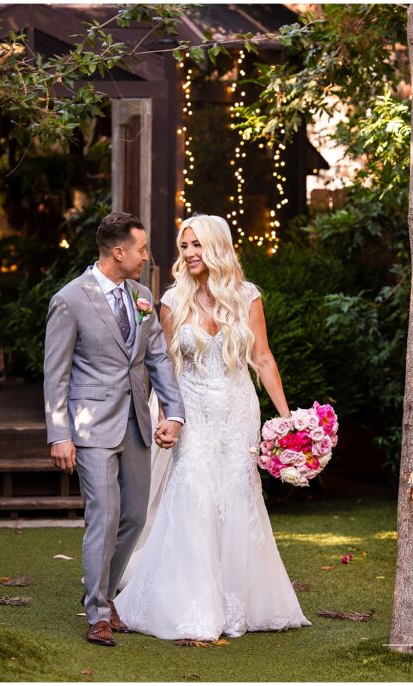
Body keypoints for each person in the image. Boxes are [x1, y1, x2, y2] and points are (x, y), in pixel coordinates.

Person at [113, 214, 311, 641]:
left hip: (238, 409)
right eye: (184, 246)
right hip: (192, 410)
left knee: (237, 495)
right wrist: (167, 415)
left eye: (197, 245)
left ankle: (239, 600)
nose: (189, 254)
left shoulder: (247, 296)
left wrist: (287, 417)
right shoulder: (171, 300)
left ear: (217, 247)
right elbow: (163, 366)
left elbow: (262, 358)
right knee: (194, 492)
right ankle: (193, 604)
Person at [43, 211, 186, 647]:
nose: (147, 257)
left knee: (135, 516)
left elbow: (157, 358)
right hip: (90, 430)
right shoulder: (69, 299)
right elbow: (56, 374)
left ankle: (106, 593)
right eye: (141, 250)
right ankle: (99, 614)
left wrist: (174, 414)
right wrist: (59, 434)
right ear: (118, 252)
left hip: (137, 425)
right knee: (103, 517)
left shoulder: (142, 295)